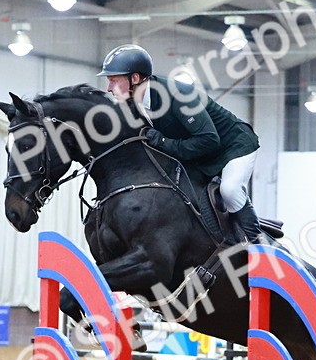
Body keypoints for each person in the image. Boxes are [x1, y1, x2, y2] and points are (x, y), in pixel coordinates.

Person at [98, 44, 263, 244]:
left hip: (234, 147)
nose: (108, 88)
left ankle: (257, 244)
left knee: (229, 190)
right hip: (201, 154)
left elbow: (209, 140)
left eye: (114, 80)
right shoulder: (133, 102)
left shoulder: (177, 94)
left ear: (135, 78)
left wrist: (164, 142)